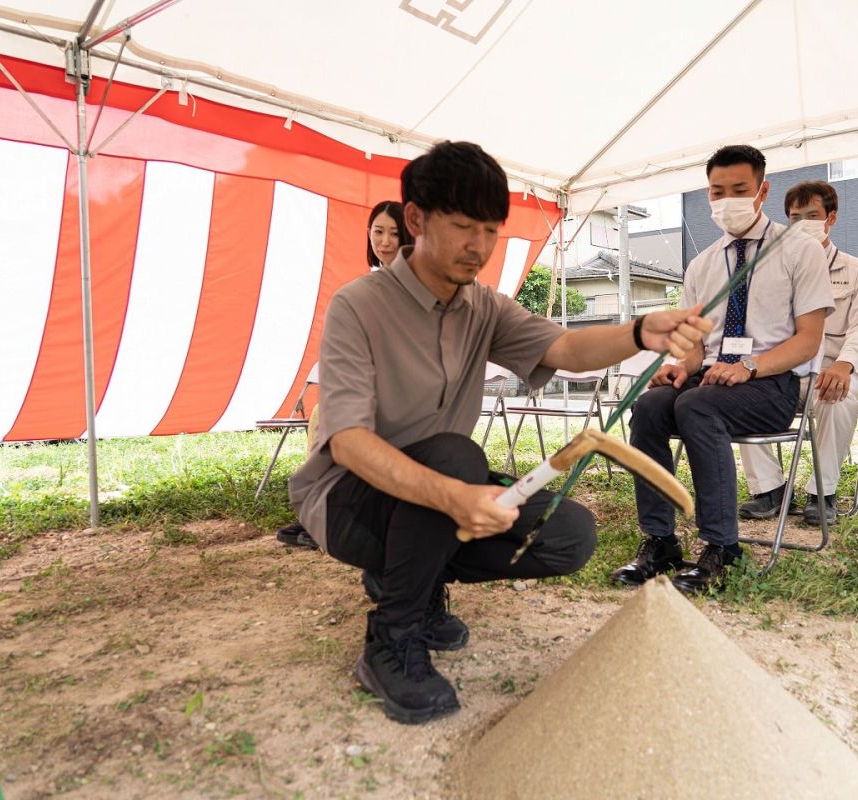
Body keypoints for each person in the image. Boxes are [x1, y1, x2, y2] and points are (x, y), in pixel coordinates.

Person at [288, 141, 712, 724]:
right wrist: (458, 497)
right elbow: (348, 441)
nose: (479, 247)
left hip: (436, 490)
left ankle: (411, 573)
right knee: (455, 459)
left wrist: (642, 330)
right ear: (415, 219)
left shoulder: (483, 307)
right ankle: (391, 637)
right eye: (463, 226)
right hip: (347, 502)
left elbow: (564, 347)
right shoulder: (358, 306)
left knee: (569, 535)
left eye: (490, 230)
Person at [610, 145, 833, 595]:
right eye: (717, 191)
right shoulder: (703, 264)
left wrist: (749, 367)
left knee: (696, 405)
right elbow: (696, 348)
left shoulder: (798, 252)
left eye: (739, 190)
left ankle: (721, 545)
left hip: (770, 383)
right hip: (710, 378)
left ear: (762, 191)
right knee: (651, 407)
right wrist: (679, 366)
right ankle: (660, 539)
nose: (726, 200)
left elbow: (809, 340)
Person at [738, 181, 858, 525]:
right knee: (738, 394)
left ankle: (822, 493)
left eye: (812, 215)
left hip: (832, 371)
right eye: (794, 217)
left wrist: (845, 365)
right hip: (782, 374)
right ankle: (769, 489)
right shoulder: (774, 271)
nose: (802, 223)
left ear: (830, 218)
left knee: (840, 395)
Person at [275, 200, 414, 551]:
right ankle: (320, 513)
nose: (384, 241)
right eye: (378, 232)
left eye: (394, 233)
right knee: (324, 414)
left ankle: (331, 517)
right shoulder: (371, 284)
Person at [367, 200, 412, 270]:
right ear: (369, 233)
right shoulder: (372, 279)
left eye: (395, 234)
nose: (385, 243)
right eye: (379, 231)